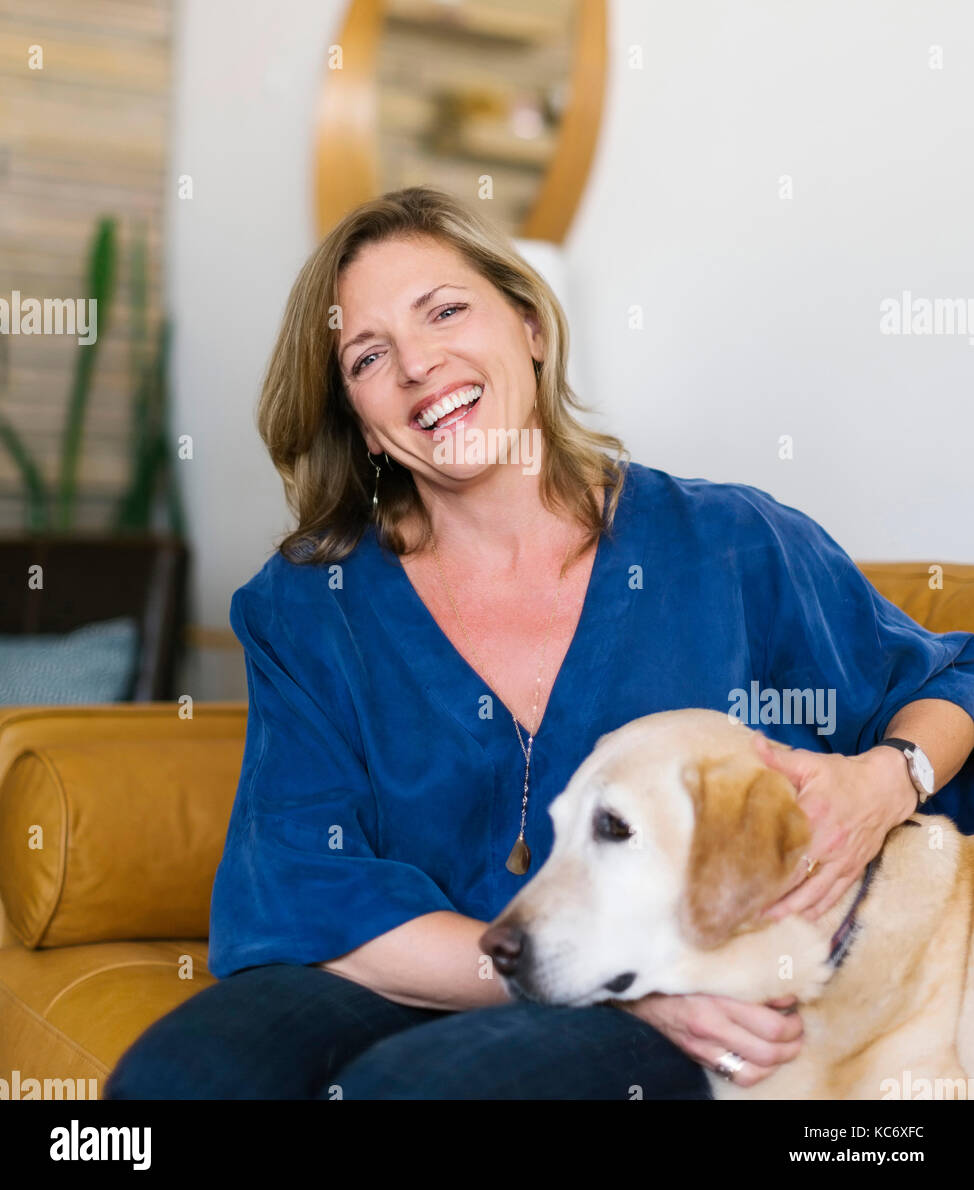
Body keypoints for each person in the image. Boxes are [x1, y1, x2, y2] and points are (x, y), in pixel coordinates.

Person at [104, 186, 974, 1100]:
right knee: (175, 1082)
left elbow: (955, 676)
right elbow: (298, 880)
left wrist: (889, 778)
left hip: (660, 1002)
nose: (419, 365)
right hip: (424, 973)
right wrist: (589, 991)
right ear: (359, 419)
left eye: (445, 310)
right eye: (369, 356)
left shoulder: (731, 546)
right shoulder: (307, 604)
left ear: (529, 326)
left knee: (419, 1093)